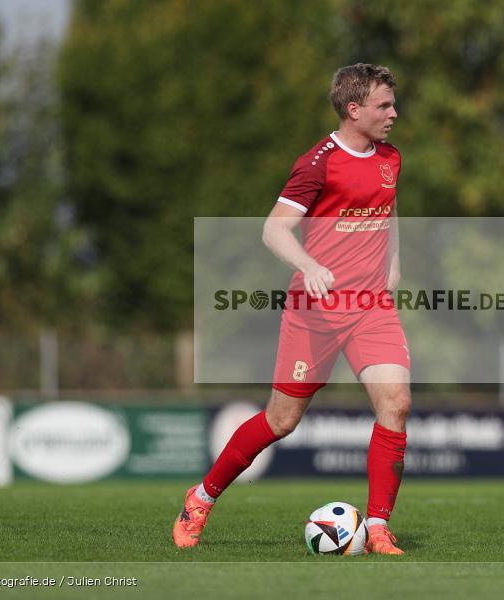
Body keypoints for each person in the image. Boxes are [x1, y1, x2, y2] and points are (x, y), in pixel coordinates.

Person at [173, 63, 410, 555]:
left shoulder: (390, 157)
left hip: (370, 308)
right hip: (315, 312)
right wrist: (310, 266)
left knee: (396, 404)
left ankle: (378, 529)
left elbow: (389, 212)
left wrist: (394, 262)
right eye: (384, 105)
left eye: (392, 103)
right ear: (354, 109)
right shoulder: (318, 163)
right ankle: (200, 499)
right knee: (281, 421)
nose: (393, 112)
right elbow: (274, 229)